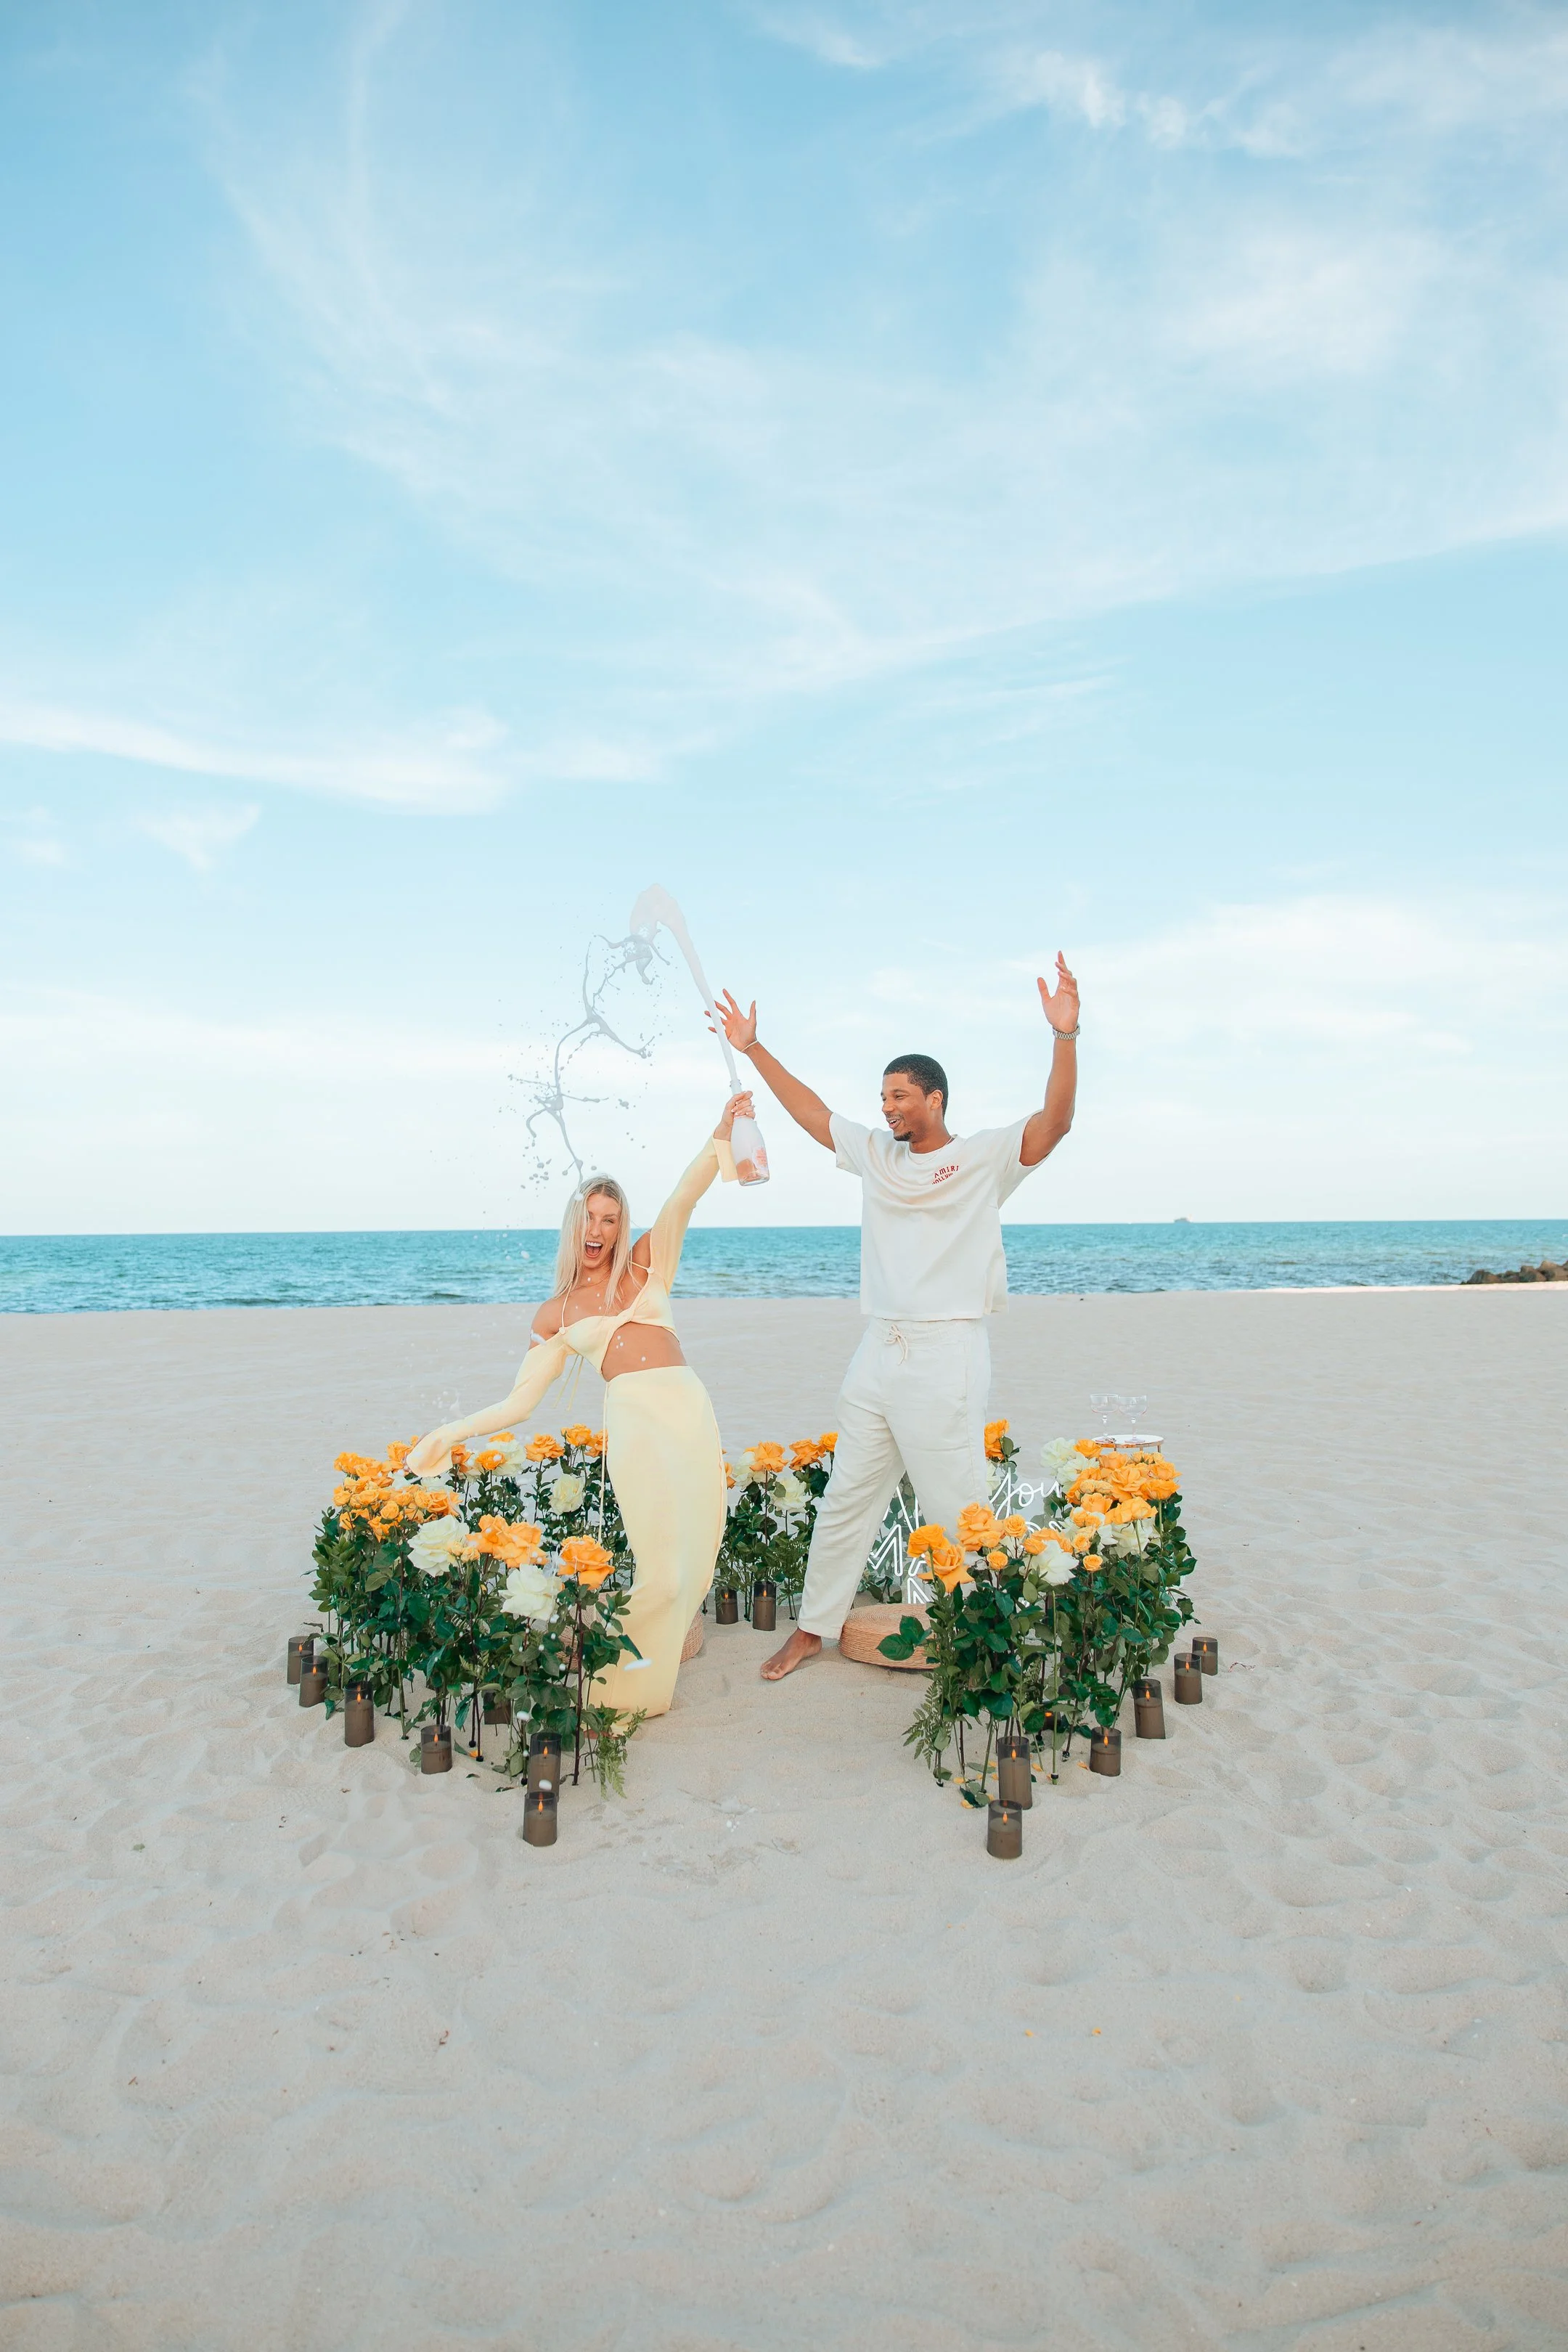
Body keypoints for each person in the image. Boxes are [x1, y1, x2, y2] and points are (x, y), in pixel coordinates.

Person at [711, 963, 1080, 1681]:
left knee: (956, 1505)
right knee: (849, 1495)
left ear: (935, 1098)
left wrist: (1064, 1032)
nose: (887, 1107)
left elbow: (1056, 1122)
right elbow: (816, 1116)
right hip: (878, 1348)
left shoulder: (982, 1158)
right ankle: (813, 1629)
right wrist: (754, 1049)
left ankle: (983, 1638)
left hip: (948, 1350)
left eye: (900, 1095)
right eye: (883, 1097)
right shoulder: (878, 1155)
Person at [405, 1095, 755, 1718]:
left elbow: (684, 1197)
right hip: (635, 1420)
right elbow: (519, 1403)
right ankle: (623, 1695)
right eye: (590, 1218)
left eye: (610, 1219)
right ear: (574, 1225)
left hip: (689, 1409)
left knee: (698, 1563)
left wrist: (723, 1129)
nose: (599, 1231)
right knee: (660, 1568)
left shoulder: (646, 1266)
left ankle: (643, 1675)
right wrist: (447, 1434)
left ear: (621, 1227)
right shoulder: (556, 1313)